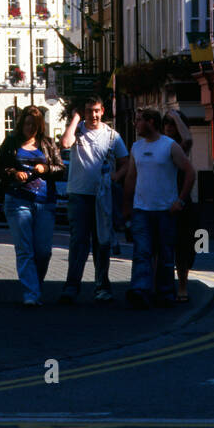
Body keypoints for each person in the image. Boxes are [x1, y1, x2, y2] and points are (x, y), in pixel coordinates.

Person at [122, 107, 195, 309]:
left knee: (165, 254)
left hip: (165, 210)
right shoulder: (136, 147)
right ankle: (140, 290)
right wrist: (126, 205)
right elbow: (130, 177)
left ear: (151, 122)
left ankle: (165, 293)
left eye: (138, 120)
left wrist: (180, 200)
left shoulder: (170, 146)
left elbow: (189, 172)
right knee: (142, 252)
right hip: (141, 210)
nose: (135, 124)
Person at [58, 96, 129, 304]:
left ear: (103, 110)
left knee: (102, 242)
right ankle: (71, 287)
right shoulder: (77, 131)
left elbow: (125, 162)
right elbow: (65, 143)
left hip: (102, 197)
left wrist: (116, 176)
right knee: (78, 242)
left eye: (96, 110)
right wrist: (75, 118)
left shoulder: (112, 136)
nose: (94, 115)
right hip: (79, 195)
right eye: (89, 111)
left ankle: (102, 287)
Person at [0, 106, 65, 306]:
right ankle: (31, 294)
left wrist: (46, 168)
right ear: (21, 124)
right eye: (27, 123)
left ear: (40, 125)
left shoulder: (48, 143)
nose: (30, 127)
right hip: (17, 201)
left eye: (34, 124)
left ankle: (35, 285)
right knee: (25, 249)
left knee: (43, 251)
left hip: (45, 202)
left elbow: (61, 168)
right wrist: (13, 173)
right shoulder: (11, 142)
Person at [162, 107, 200, 302]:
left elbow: (188, 140)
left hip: (182, 201)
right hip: (161, 201)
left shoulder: (179, 147)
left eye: (173, 124)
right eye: (166, 123)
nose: (169, 127)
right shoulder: (159, 145)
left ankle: (182, 286)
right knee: (161, 246)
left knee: (184, 246)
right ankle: (162, 285)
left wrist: (176, 116)